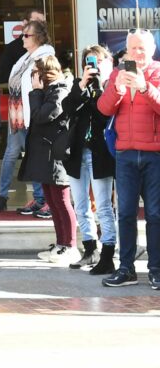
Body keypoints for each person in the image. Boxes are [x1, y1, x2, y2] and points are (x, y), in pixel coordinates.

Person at [96, 28, 160, 289]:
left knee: (155, 214)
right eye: (133, 48)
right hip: (125, 154)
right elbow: (103, 108)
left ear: (152, 50)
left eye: (142, 48)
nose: (137, 53)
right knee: (125, 214)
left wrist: (145, 87)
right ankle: (126, 269)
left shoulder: (158, 72)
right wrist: (117, 88)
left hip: (155, 154)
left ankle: (156, 269)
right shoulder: (118, 73)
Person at [18, 56, 79, 265]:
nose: (33, 78)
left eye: (35, 74)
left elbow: (42, 116)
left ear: (44, 74)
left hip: (56, 154)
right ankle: (61, 243)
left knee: (61, 200)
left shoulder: (60, 91)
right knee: (52, 201)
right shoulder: (49, 92)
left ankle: (70, 245)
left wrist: (35, 92)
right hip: (44, 154)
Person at [61, 45, 117, 274]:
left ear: (108, 62)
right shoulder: (80, 85)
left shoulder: (112, 85)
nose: (94, 66)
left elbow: (105, 114)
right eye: (89, 62)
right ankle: (90, 248)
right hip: (78, 152)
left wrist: (100, 86)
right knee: (81, 204)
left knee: (103, 205)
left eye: (98, 61)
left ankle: (108, 254)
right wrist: (83, 84)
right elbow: (67, 108)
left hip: (100, 153)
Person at [0, 17, 53, 216]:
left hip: (32, 114)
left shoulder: (44, 57)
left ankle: (44, 199)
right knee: (19, 154)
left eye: (26, 35)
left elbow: (46, 87)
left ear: (37, 37)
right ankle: (29, 197)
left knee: (35, 157)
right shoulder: (26, 57)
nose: (23, 38)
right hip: (18, 115)